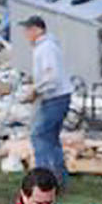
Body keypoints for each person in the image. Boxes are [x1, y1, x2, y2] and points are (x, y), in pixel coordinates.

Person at [21, 15, 73, 185]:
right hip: (58, 97)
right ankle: (59, 177)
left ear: (38, 29)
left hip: (54, 98)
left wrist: (36, 90)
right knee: (51, 138)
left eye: (28, 30)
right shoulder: (44, 47)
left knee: (40, 135)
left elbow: (52, 77)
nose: (26, 34)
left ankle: (43, 179)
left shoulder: (46, 48)